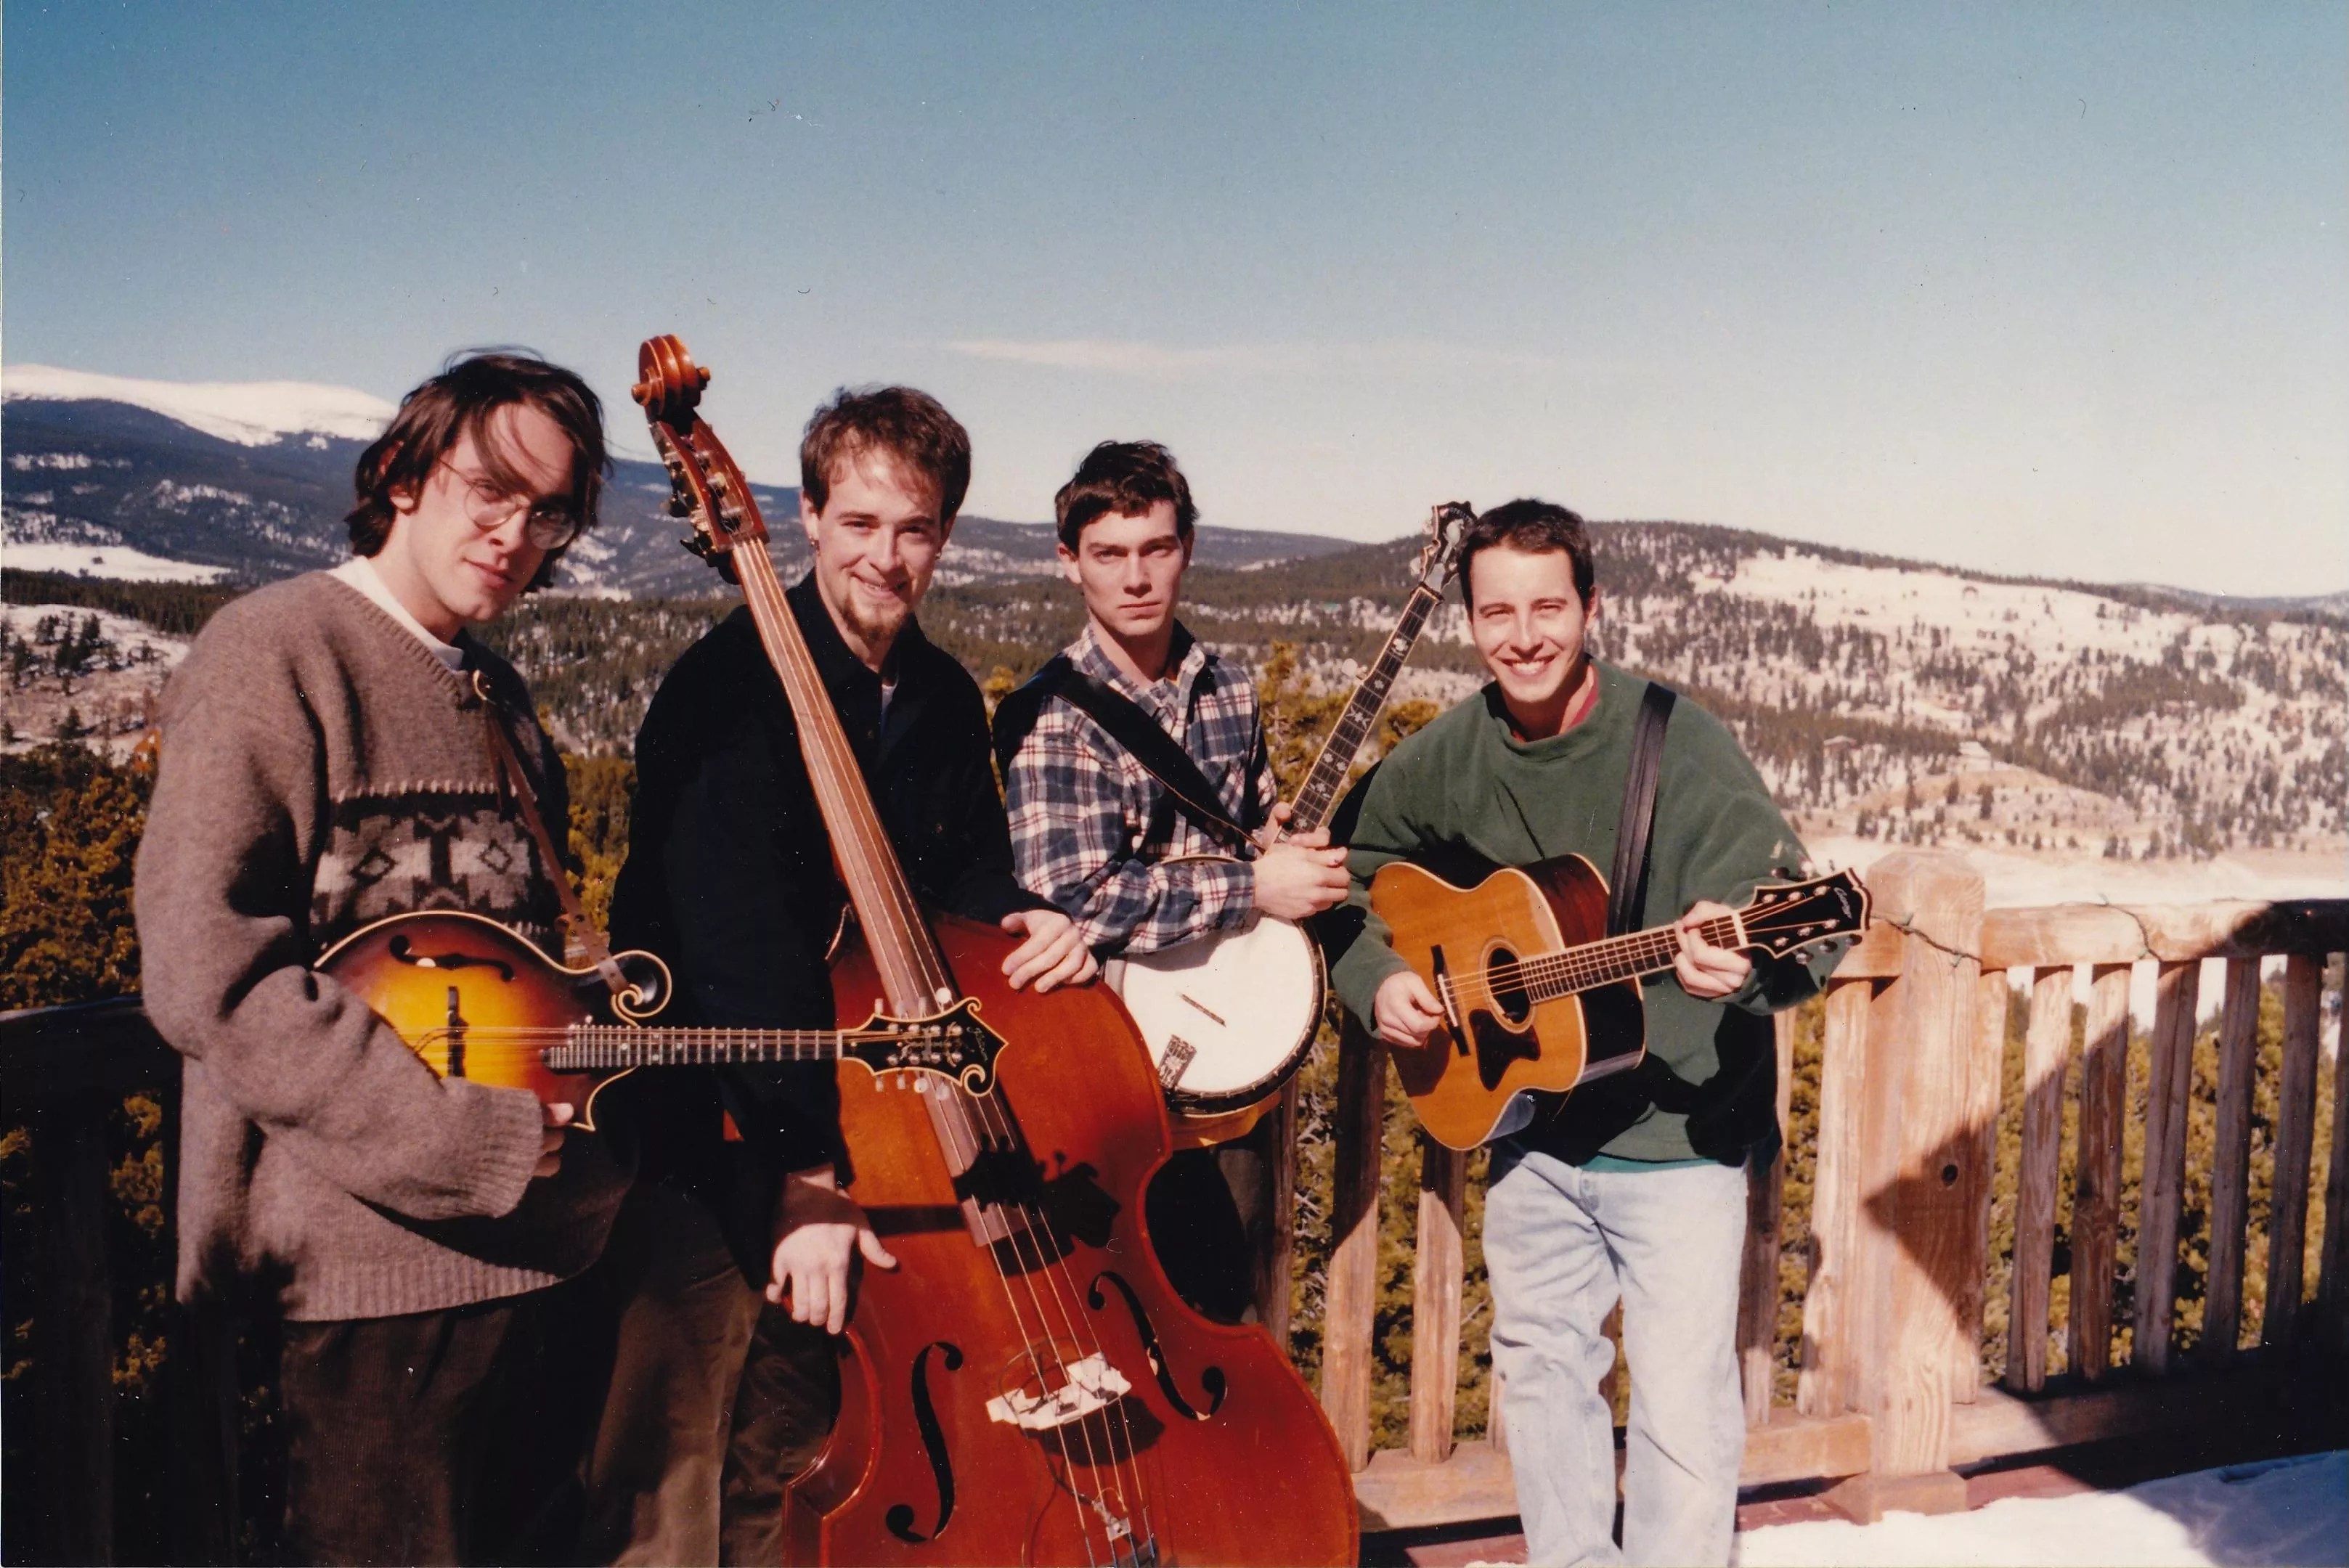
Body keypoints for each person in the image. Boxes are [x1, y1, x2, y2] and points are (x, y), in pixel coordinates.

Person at [136, 352, 623, 1564]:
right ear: (406, 472)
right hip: (352, 1296)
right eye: (490, 490)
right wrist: (459, 1141)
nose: (517, 535)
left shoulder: (497, 692)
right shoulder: (279, 651)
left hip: (524, 1264)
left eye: (548, 511)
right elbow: (210, 970)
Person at [606, 383, 1094, 1561]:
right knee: (685, 1456)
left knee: (811, 1442)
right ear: (810, 518)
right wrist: (806, 1176)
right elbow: (740, 949)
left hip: (862, 1108)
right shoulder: (730, 691)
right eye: (862, 523)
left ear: (944, 538)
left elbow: (967, 874)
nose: (887, 556)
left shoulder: (929, 694)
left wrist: (1034, 922)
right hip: (724, 1115)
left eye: (914, 528)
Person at [1326, 500, 1833, 1567]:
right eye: (1496, 611)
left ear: (1589, 606)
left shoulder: (1673, 740)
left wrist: (1742, 963)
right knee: (1540, 1378)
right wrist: (1377, 979)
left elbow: (1795, 917)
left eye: (1547, 607)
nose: (1522, 636)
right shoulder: (1452, 751)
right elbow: (1350, 867)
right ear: (1469, 619)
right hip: (1534, 1128)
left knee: (1680, 1405)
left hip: (1677, 1141)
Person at [996, 440, 1351, 1321]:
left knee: (1231, 1307)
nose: (1136, 578)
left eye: (1155, 549)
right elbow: (1070, 899)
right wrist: (1250, 891)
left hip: (1229, 1046)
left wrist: (1281, 852)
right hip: (1113, 1065)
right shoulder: (1054, 719)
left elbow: (1247, 826)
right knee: (1126, 1311)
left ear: (1185, 547)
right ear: (1068, 561)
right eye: (1109, 554)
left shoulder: (1227, 686)